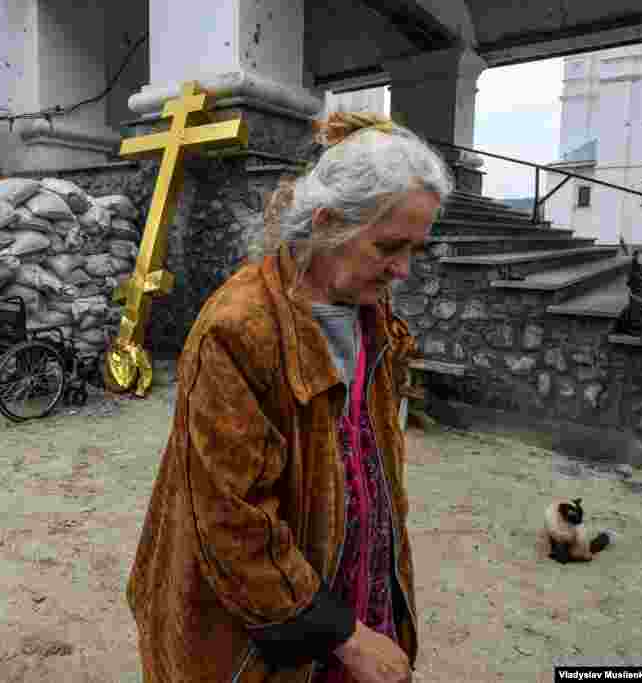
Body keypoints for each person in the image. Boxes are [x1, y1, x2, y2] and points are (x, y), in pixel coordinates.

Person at [126, 111, 453, 683]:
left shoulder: (373, 317)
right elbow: (233, 522)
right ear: (327, 224)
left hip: (347, 599)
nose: (403, 270)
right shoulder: (237, 330)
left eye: (416, 250)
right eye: (389, 246)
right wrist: (343, 635)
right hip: (255, 635)